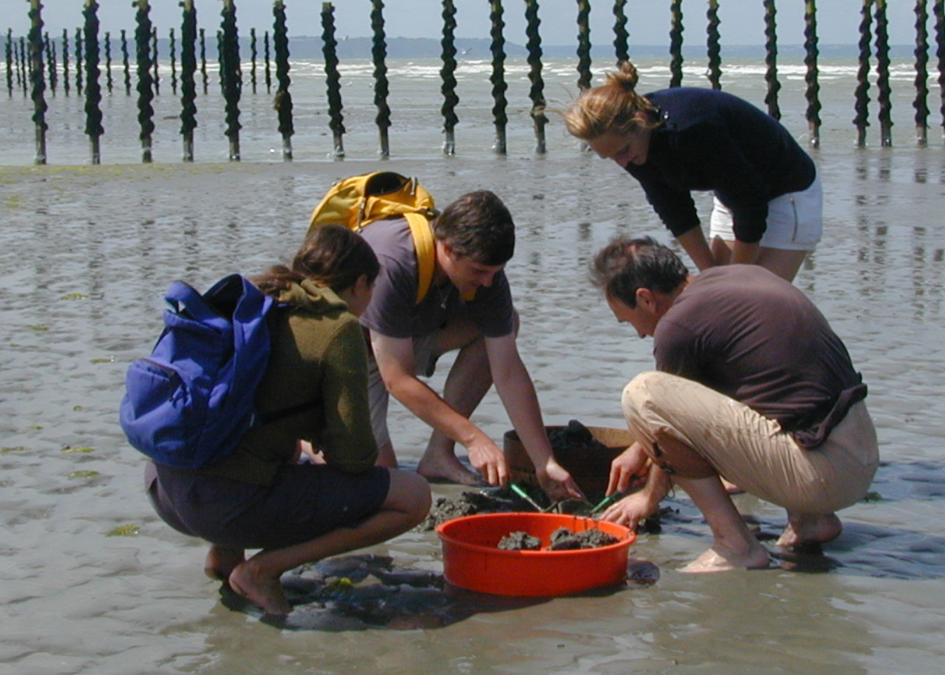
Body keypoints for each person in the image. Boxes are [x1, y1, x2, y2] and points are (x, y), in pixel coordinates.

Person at [144, 226, 432, 616]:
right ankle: (263, 569)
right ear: (361, 284)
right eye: (372, 290)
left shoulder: (259, 297)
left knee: (267, 440)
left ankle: (223, 557)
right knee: (412, 496)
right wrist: (323, 448)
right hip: (222, 506)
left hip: (164, 489)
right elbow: (355, 458)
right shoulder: (339, 325)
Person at [589, 236, 878, 572]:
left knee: (642, 394)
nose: (639, 334)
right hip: (859, 454)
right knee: (763, 384)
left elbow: (666, 418)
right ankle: (811, 522)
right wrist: (641, 449)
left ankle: (735, 545)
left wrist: (647, 499)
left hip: (821, 474)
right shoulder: (737, 278)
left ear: (645, 299)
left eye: (629, 321)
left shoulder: (677, 327)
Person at [357, 190, 583, 501]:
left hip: (406, 335)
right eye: (479, 272)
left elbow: (507, 370)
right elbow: (397, 379)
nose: (488, 283)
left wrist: (544, 462)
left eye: (495, 272)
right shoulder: (392, 263)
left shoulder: (488, 274)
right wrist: (474, 438)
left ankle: (437, 455)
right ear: (447, 249)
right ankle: (311, 439)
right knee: (385, 489)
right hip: (353, 350)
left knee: (505, 323)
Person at [563, 61, 822, 280]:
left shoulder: (691, 130)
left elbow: (751, 204)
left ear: (640, 122)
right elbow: (675, 210)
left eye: (622, 151)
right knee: (716, 296)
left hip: (789, 192)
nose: (623, 163)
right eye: (610, 157)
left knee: (751, 303)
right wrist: (710, 276)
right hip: (733, 196)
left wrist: (736, 282)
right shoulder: (633, 147)